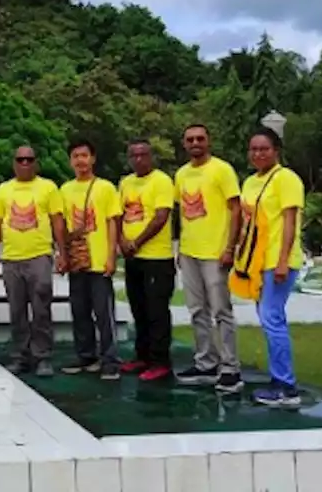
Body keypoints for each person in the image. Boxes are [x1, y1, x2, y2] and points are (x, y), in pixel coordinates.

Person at [174, 124, 244, 394]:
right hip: (190, 252)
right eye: (190, 139)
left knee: (221, 311)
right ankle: (206, 362)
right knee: (196, 310)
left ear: (209, 141)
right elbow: (180, 214)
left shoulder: (222, 170)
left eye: (200, 138)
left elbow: (235, 210)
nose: (195, 143)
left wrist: (230, 247)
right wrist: (179, 249)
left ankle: (230, 368)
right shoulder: (181, 174)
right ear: (184, 143)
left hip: (216, 252)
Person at [241, 127, 306, 407]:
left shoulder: (286, 179)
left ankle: (286, 387)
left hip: (278, 262)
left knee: (272, 320)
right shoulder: (250, 182)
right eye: (254, 149)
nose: (258, 154)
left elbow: (290, 222)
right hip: (257, 262)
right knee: (269, 321)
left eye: (264, 149)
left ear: (276, 151)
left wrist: (282, 261)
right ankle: (278, 379)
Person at [0, 145, 66, 377]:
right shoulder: (2, 190)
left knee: (41, 308)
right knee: (16, 310)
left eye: (29, 160)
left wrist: (62, 252)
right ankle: (20, 356)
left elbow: (57, 221)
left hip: (39, 256)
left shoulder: (48, 188)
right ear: (13, 163)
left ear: (36, 162)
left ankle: (42, 357)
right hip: (11, 258)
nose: (24, 164)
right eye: (20, 160)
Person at [58, 138, 122, 380]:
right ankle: (86, 355)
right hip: (77, 260)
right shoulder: (64, 190)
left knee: (104, 313)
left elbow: (112, 222)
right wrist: (62, 254)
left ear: (93, 159)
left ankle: (110, 359)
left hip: (98, 260)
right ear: (70, 161)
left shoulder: (105, 188)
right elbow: (62, 226)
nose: (80, 161)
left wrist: (111, 256)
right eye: (75, 156)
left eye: (84, 155)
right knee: (80, 310)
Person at [116, 138, 176, 381]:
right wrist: (121, 241)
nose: (139, 159)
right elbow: (118, 215)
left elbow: (161, 217)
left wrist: (137, 242)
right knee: (138, 308)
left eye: (143, 155)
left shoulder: (161, 180)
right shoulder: (125, 182)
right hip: (132, 258)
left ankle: (161, 361)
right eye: (134, 155)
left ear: (151, 157)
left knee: (156, 310)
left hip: (156, 258)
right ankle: (142, 356)